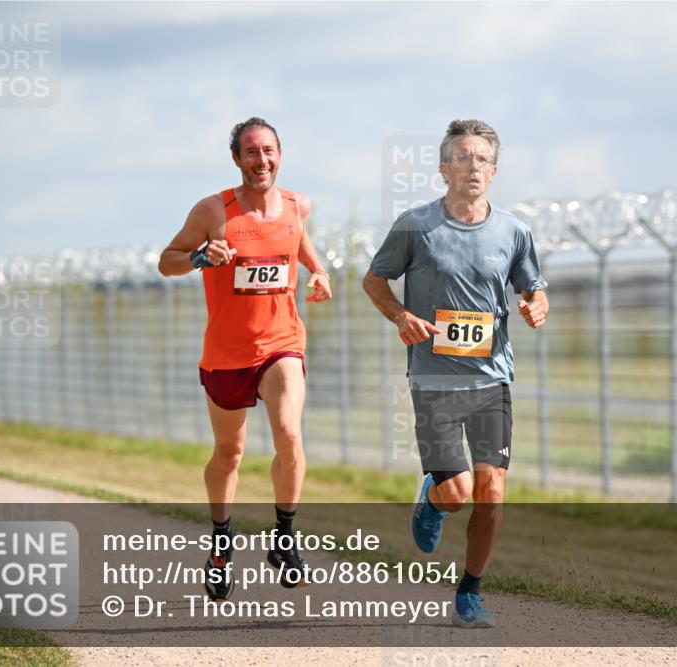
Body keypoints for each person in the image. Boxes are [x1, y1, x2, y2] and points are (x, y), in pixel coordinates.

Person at [363, 119, 548, 628]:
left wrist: (536, 306)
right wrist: (401, 315)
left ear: (494, 170)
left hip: (492, 379)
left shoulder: (514, 231)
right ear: (443, 168)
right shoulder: (415, 225)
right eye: (462, 158)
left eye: (482, 159)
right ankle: (433, 498)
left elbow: (534, 287)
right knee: (459, 493)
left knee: (492, 490)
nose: (473, 166)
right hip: (435, 380)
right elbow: (374, 280)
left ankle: (470, 592)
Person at [158, 118, 332, 600]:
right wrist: (199, 258)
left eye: (269, 150)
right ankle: (221, 543)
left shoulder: (299, 206)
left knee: (290, 433)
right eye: (252, 152)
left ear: (281, 154)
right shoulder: (214, 210)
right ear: (237, 159)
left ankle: (284, 535)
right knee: (229, 453)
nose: (262, 160)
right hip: (227, 354)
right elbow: (166, 260)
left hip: (282, 343)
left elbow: (298, 244)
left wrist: (319, 273)